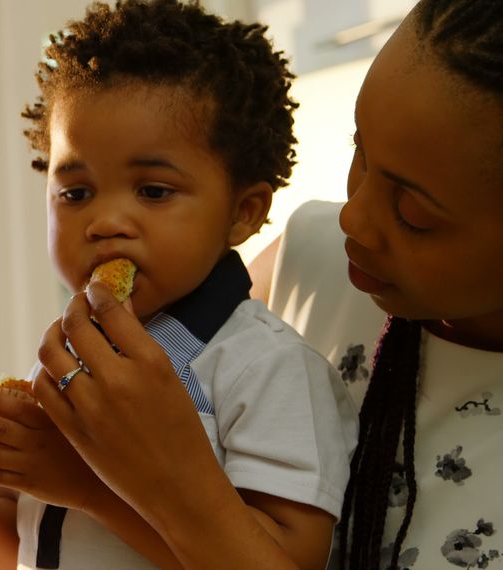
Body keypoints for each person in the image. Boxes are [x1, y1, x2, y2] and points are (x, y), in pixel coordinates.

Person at [0, 1, 358, 568]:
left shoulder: (268, 371)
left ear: (243, 212)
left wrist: (89, 485)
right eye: (75, 193)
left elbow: (285, 560)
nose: (104, 222)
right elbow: (45, 542)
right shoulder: (70, 362)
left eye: (153, 191)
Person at [28, 0, 503, 569]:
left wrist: (98, 482)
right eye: (362, 155)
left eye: (413, 213)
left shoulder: (276, 364)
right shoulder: (312, 256)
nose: (351, 218)